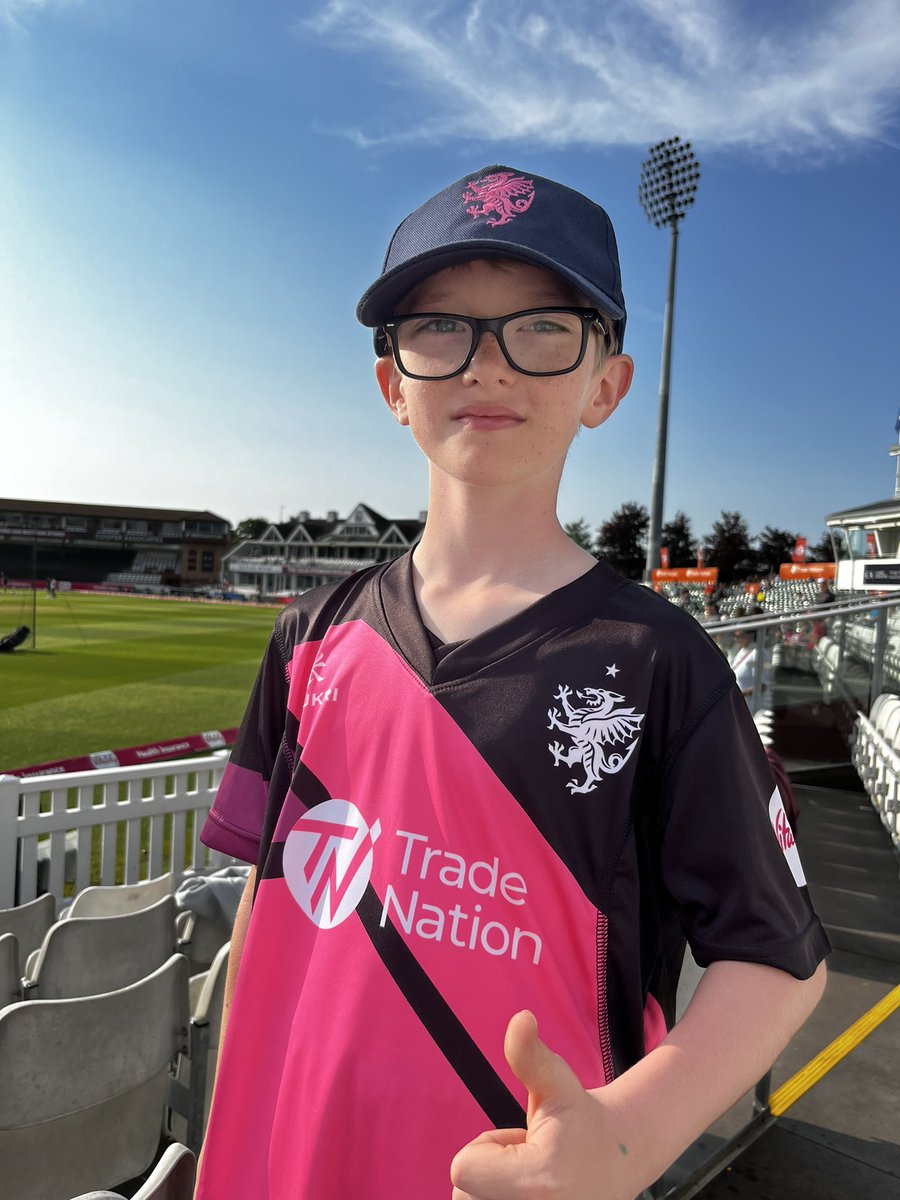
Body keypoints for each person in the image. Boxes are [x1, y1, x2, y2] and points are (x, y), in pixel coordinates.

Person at [194, 165, 828, 1200]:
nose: (485, 365)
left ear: (604, 385)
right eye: (440, 329)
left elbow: (780, 961)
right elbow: (271, 924)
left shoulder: (660, 663)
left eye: (541, 329)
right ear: (393, 384)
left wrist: (626, 1139)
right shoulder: (309, 640)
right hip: (285, 1163)